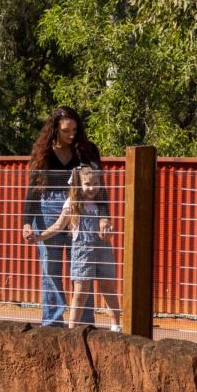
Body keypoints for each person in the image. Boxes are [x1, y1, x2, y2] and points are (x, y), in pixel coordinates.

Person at [21, 106, 110, 327]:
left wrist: (104, 216)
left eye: (75, 130)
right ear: (55, 130)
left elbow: (99, 185)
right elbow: (33, 188)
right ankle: (52, 324)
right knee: (50, 268)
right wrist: (26, 222)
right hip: (47, 209)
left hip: (80, 210)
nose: (71, 135)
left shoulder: (87, 150)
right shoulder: (43, 152)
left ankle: (83, 325)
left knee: (82, 268)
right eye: (65, 130)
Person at [33, 166, 121, 331]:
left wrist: (109, 230)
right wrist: (39, 237)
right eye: (87, 184)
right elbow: (58, 226)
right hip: (82, 252)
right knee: (80, 292)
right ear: (78, 184)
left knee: (108, 288)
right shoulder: (72, 204)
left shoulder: (101, 205)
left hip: (103, 251)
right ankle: (73, 330)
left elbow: (109, 227)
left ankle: (116, 326)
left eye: (96, 183)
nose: (92, 188)